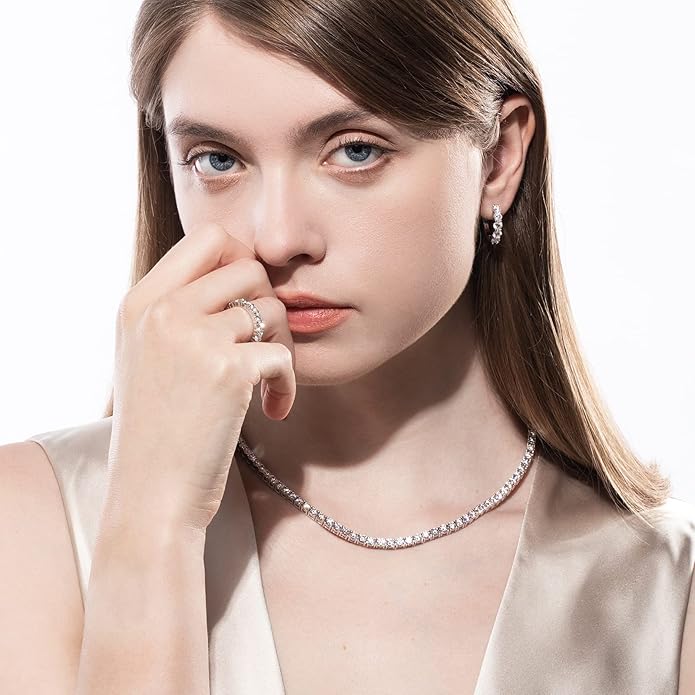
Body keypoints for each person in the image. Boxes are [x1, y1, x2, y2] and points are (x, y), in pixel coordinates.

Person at [1, 1, 693, 693]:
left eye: (355, 151)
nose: (278, 237)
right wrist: (151, 525)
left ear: (498, 158)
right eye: (218, 159)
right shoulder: (34, 523)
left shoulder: (664, 599)